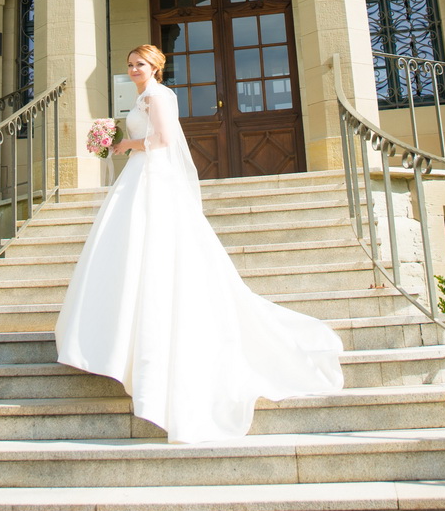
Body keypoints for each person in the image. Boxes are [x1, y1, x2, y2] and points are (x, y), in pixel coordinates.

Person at [55, 44, 344, 442]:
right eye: (130, 64)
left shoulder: (158, 95)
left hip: (152, 176)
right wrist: (118, 141)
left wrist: (125, 146)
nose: (134, 69)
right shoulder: (142, 96)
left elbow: (163, 139)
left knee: (154, 245)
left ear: (156, 66)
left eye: (140, 64)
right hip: (139, 176)